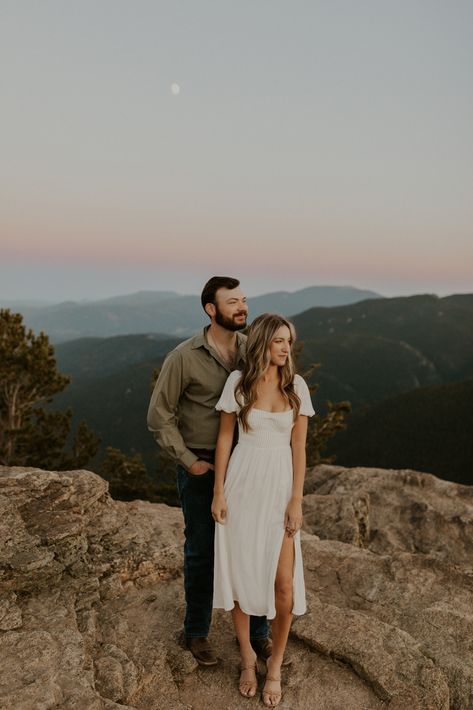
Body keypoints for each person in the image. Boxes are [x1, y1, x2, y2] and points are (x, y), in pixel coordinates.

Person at [147, 276, 271, 666]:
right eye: (232, 302)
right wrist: (188, 461)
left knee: (252, 548)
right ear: (210, 310)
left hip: (248, 462)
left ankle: (258, 635)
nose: (242, 307)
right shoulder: (183, 357)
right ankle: (196, 632)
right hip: (202, 464)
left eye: (244, 300)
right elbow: (158, 415)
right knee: (201, 551)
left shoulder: (254, 349)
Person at [211, 313, 315, 707]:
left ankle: (275, 664)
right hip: (241, 484)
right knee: (240, 576)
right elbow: (224, 438)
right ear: (262, 343)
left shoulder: (296, 386)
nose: (286, 348)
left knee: (283, 586)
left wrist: (296, 499)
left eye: (289, 340)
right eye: (278, 341)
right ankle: (248, 659)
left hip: (278, 488)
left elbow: (299, 448)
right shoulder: (238, 383)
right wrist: (219, 492)